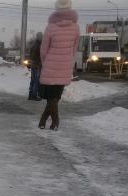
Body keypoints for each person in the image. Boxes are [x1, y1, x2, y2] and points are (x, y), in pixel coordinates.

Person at [38, 0, 79, 130]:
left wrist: (45, 62)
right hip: (65, 66)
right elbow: (74, 49)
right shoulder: (76, 27)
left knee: (51, 97)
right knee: (55, 97)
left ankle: (55, 122)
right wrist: (68, 62)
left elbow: (44, 49)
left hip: (50, 65)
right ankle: (43, 121)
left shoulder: (51, 27)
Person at [28, 32, 43, 101]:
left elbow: (30, 55)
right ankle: (34, 95)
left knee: (33, 80)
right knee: (37, 80)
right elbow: (41, 56)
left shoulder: (34, 45)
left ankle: (30, 94)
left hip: (33, 65)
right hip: (37, 65)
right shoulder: (40, 45)